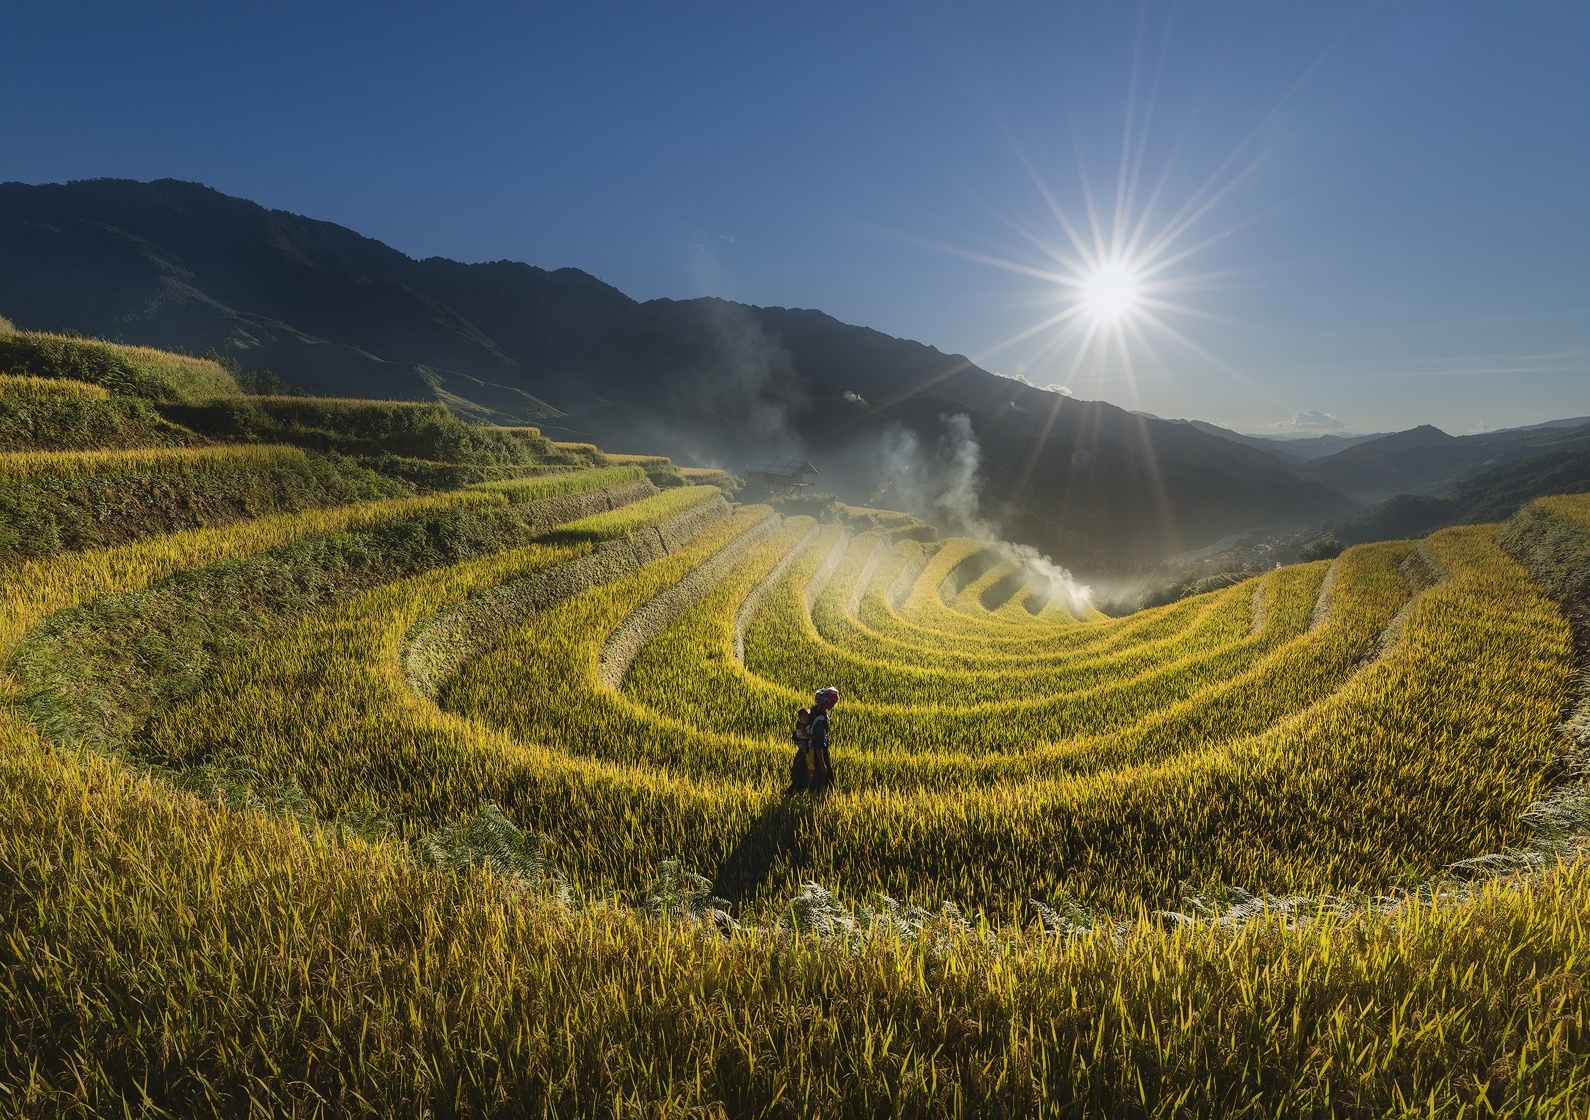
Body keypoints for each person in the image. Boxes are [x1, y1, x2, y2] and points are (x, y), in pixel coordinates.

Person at [806, 686, 840, 792]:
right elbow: (819, 743)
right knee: (823, 778)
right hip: (818, 753)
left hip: (808, 750)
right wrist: (822, 763)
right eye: (832, 703)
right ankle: (820, 799)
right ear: (827, 703)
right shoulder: (820, 721)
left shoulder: (813, 710)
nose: (833, 705)